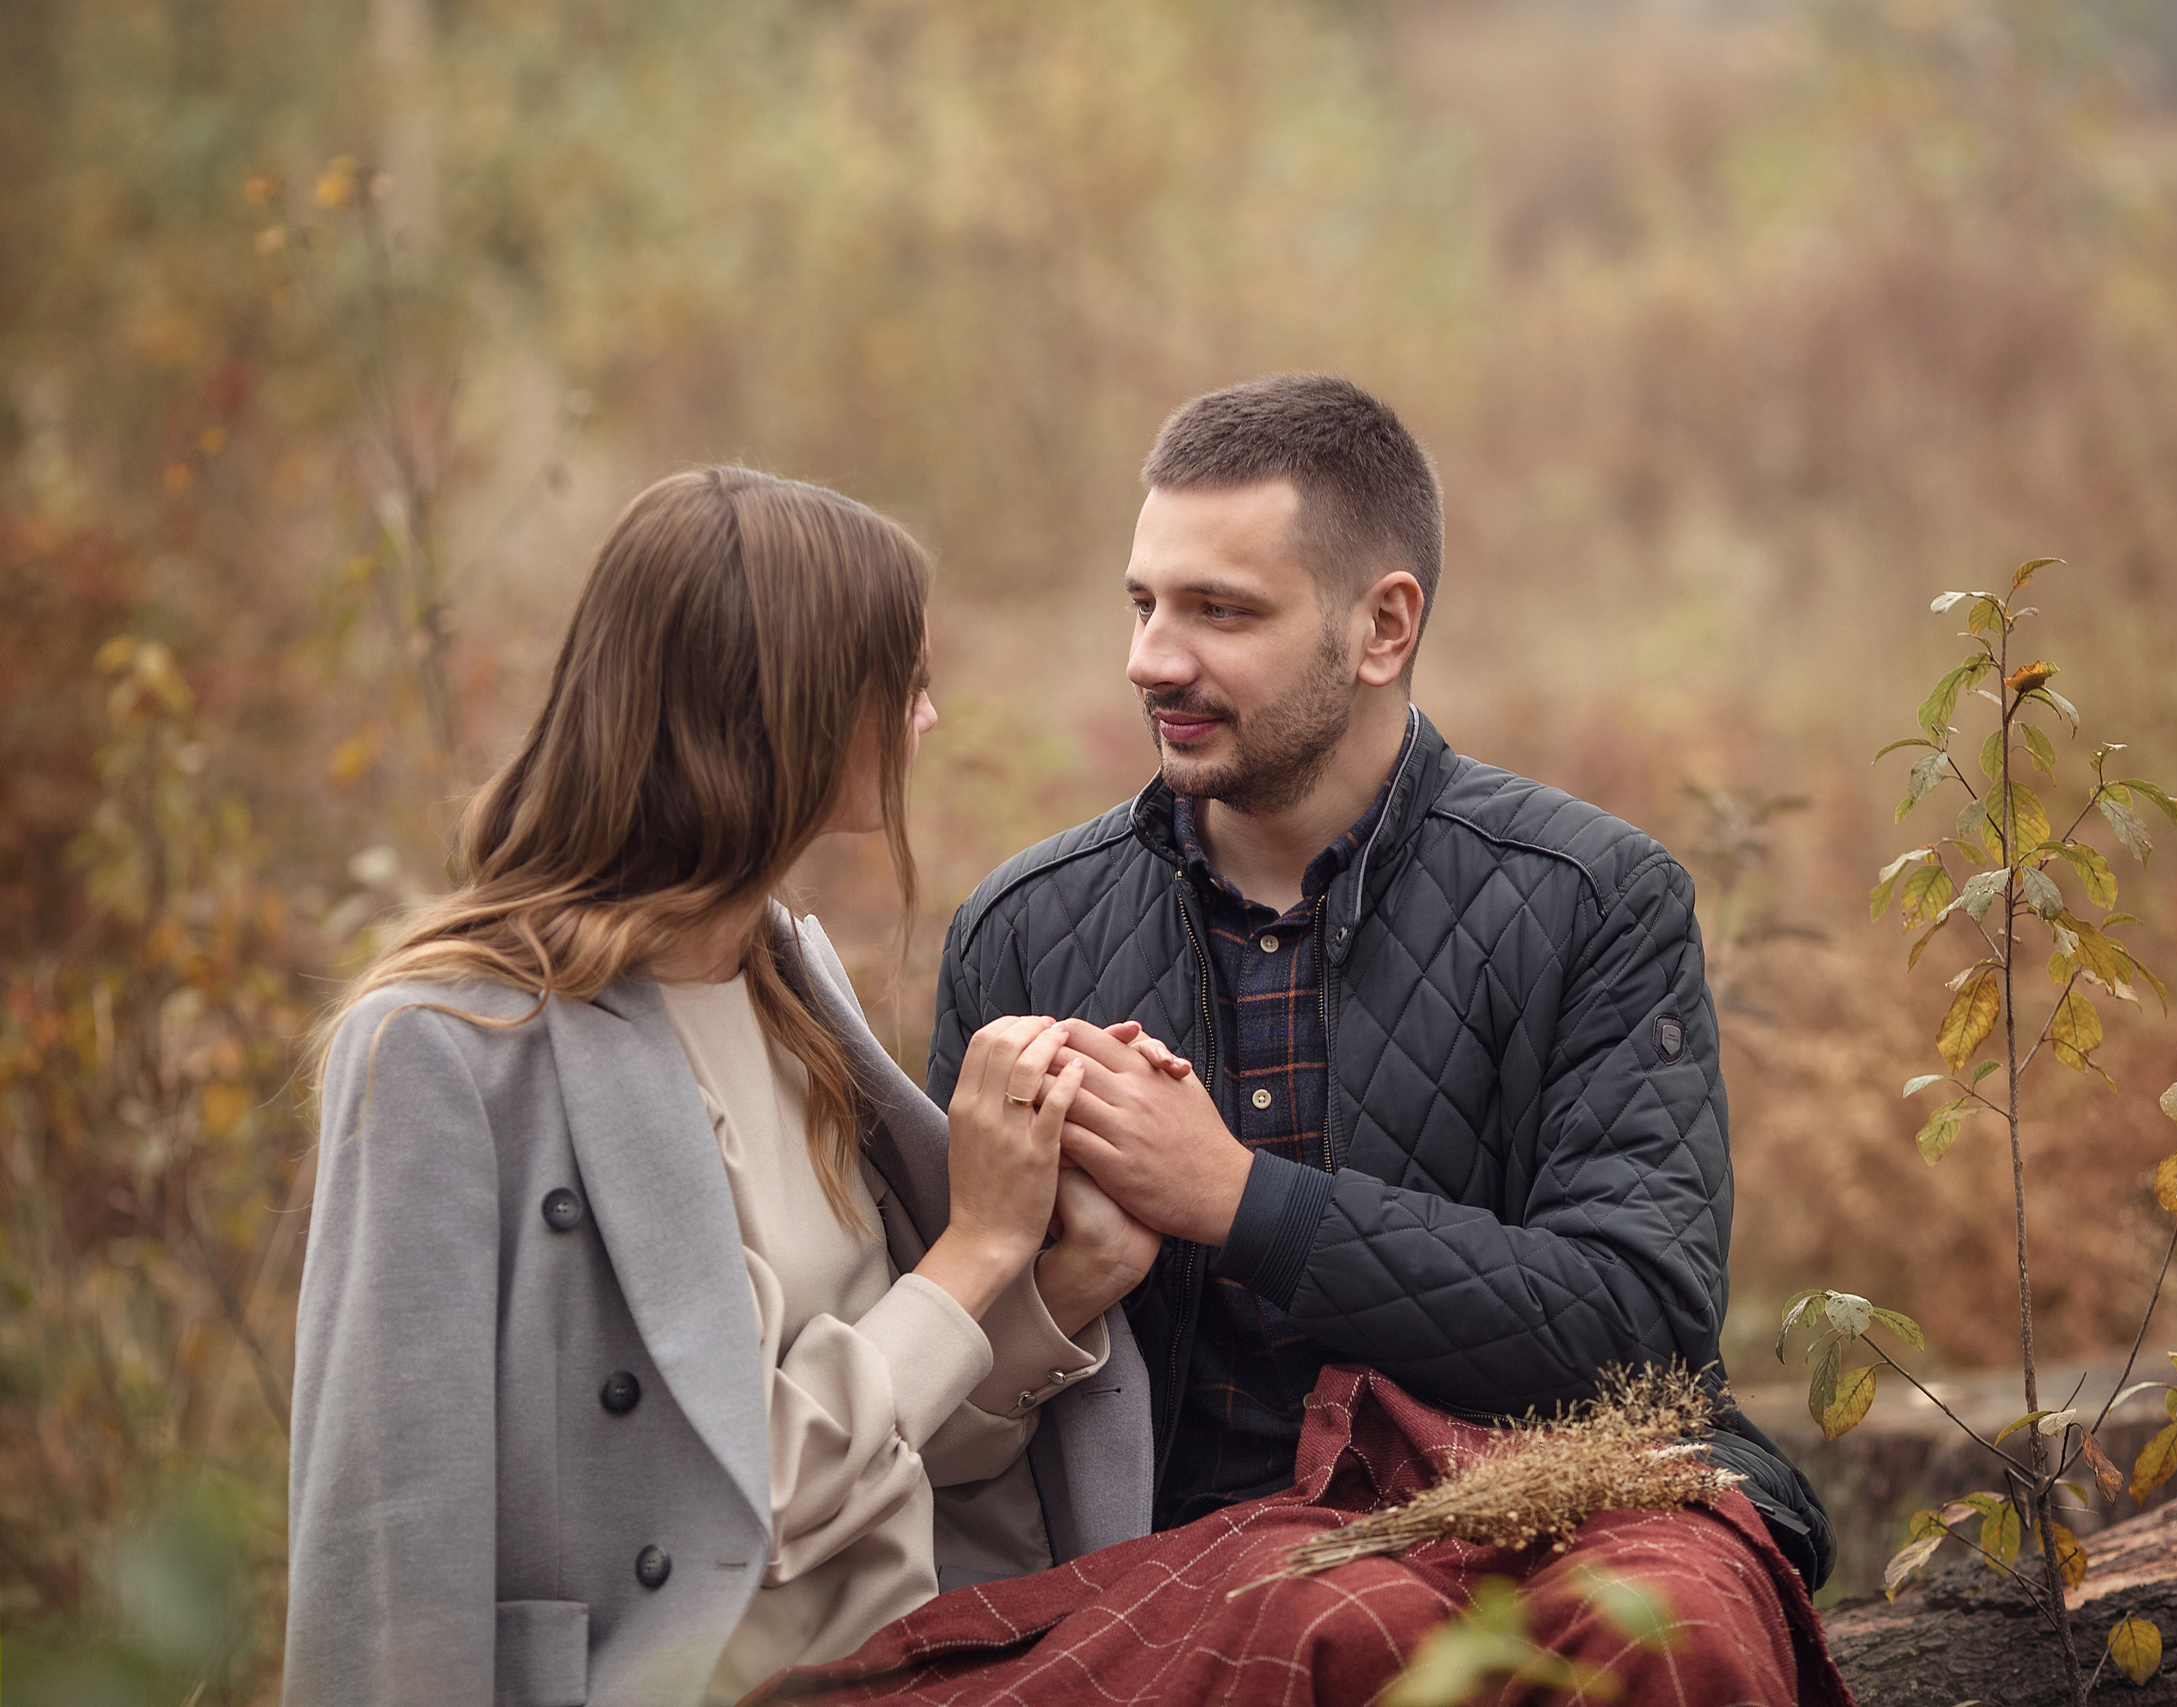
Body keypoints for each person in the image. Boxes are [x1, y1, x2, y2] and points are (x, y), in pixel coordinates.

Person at [930, 374, 1833, 1589]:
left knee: (1676, 1615)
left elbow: (1638, 1329)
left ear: (1383, 629)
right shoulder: (1021, 933)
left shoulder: (1591, 897)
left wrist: (1238, 1199)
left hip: (1508, 1533)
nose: (1150, 659)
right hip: (1158, 1569)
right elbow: (943, 1378)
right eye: (1143, 604)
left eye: (1219, 611)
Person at [285, 467, 1157, 1707]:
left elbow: (881, 1444)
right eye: (899, 682)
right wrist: (976, 1248)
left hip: (920, 1646)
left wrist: (1066, 1276)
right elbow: (391, 1540)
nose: (928, 720)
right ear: (789, 709)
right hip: (690, 1684)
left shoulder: (789, 983)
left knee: (1338, 1592)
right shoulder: (446, 1047)